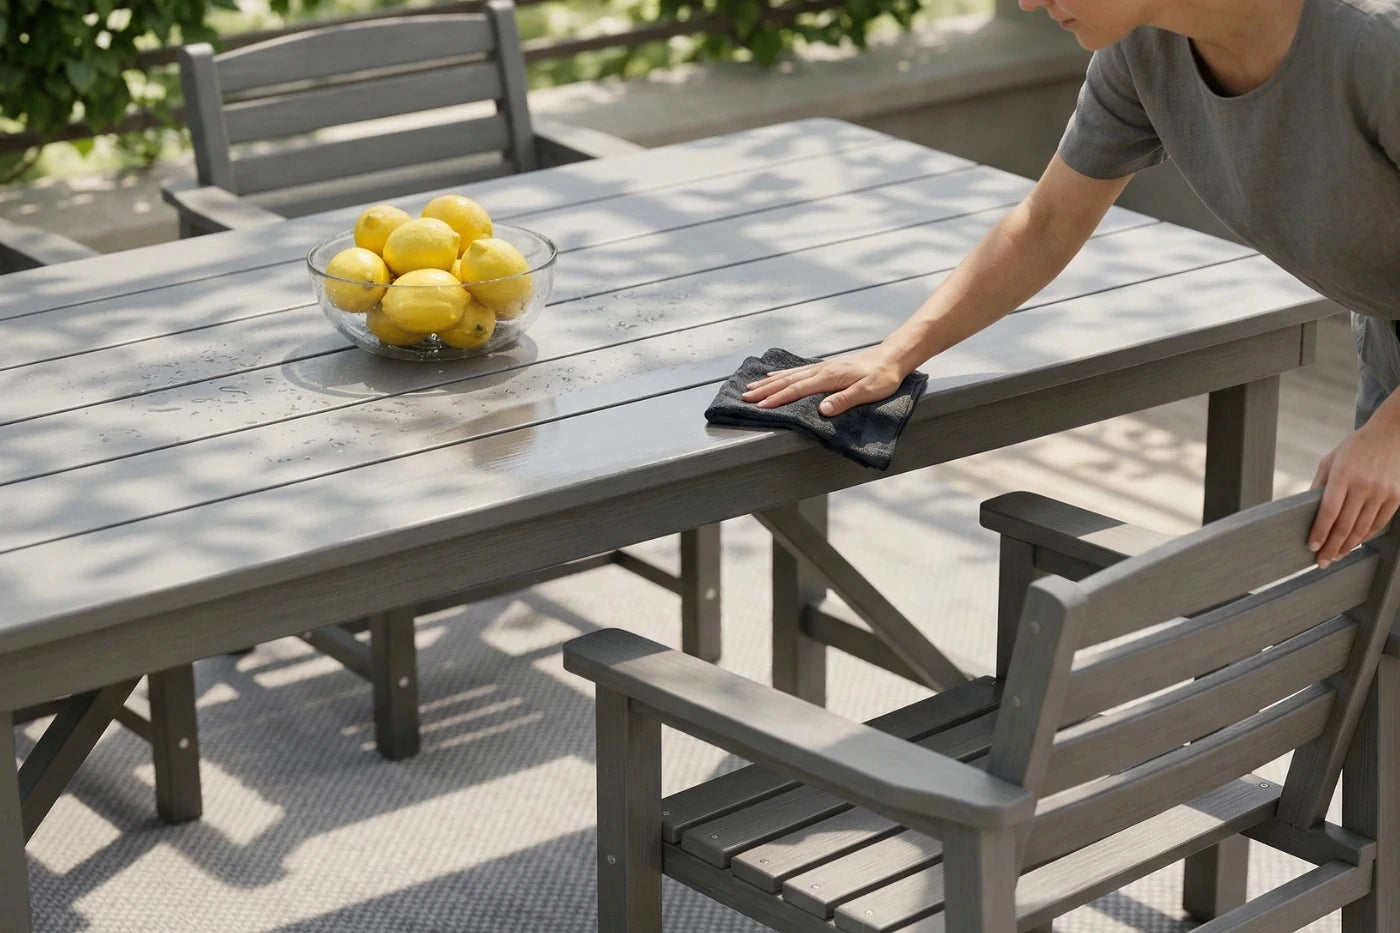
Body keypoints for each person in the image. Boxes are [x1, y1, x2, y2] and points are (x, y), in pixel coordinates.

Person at [742, 0, 1399, 568]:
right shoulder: (1144, 51)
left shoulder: (1375, 42)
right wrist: (895, 353)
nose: (1026, 3)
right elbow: (1046, 223)